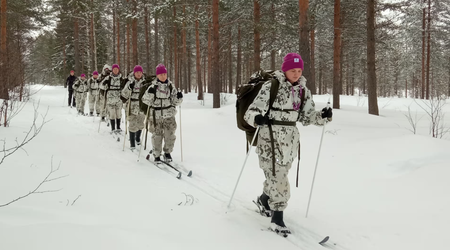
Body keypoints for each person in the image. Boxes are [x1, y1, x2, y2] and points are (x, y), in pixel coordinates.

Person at [244, 53, 333, 235]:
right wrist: (257, 118)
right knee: (279, 179)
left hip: (290, 143)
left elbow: (307, 117)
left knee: (278, 175)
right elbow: (250, 112)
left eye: (299, 70)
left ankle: (264, 199)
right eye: (293, 70)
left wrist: (323, 117)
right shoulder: (271, 86)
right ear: (285, 70)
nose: (296, 74)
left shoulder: (303, 90)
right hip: (269, 140)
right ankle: (277, 217)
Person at [142, 64, 183, 163]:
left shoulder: (171, 87)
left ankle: (167, 153)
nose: (163, 76)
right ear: (157, 76)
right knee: (157, 136)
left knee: (170, 136)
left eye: (164, 74)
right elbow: (145, 100)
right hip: (156, 116)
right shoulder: (153, 87)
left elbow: (175, 102)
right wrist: (149, 94)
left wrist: (179, 97)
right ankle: (156, 155)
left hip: (169, 115)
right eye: (161, 74)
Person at [121, 65, 146, 151]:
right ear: (134, 73)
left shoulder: (145, 82)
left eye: (140, 72)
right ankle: (132, 142)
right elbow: (123, 95)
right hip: (131, 105)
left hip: (141, 105)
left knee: (140, 124)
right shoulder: (130, 82)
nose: (139, 74)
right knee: (132, 124)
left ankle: (137, 138)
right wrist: (129, 88)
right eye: (137, 72)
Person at [100, 64, 125, 133]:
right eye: (114, 69)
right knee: (112, 114)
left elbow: (124, 87)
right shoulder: (108, 78)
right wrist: (104, 86)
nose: (115, 70)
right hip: (110, 99)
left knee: (118, 113)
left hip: (118, 98)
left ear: (118, 70)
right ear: (112, 70)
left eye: (117, 69)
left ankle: (118, 127)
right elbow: (101, 85)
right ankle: (113, 128)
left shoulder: (121, 78)